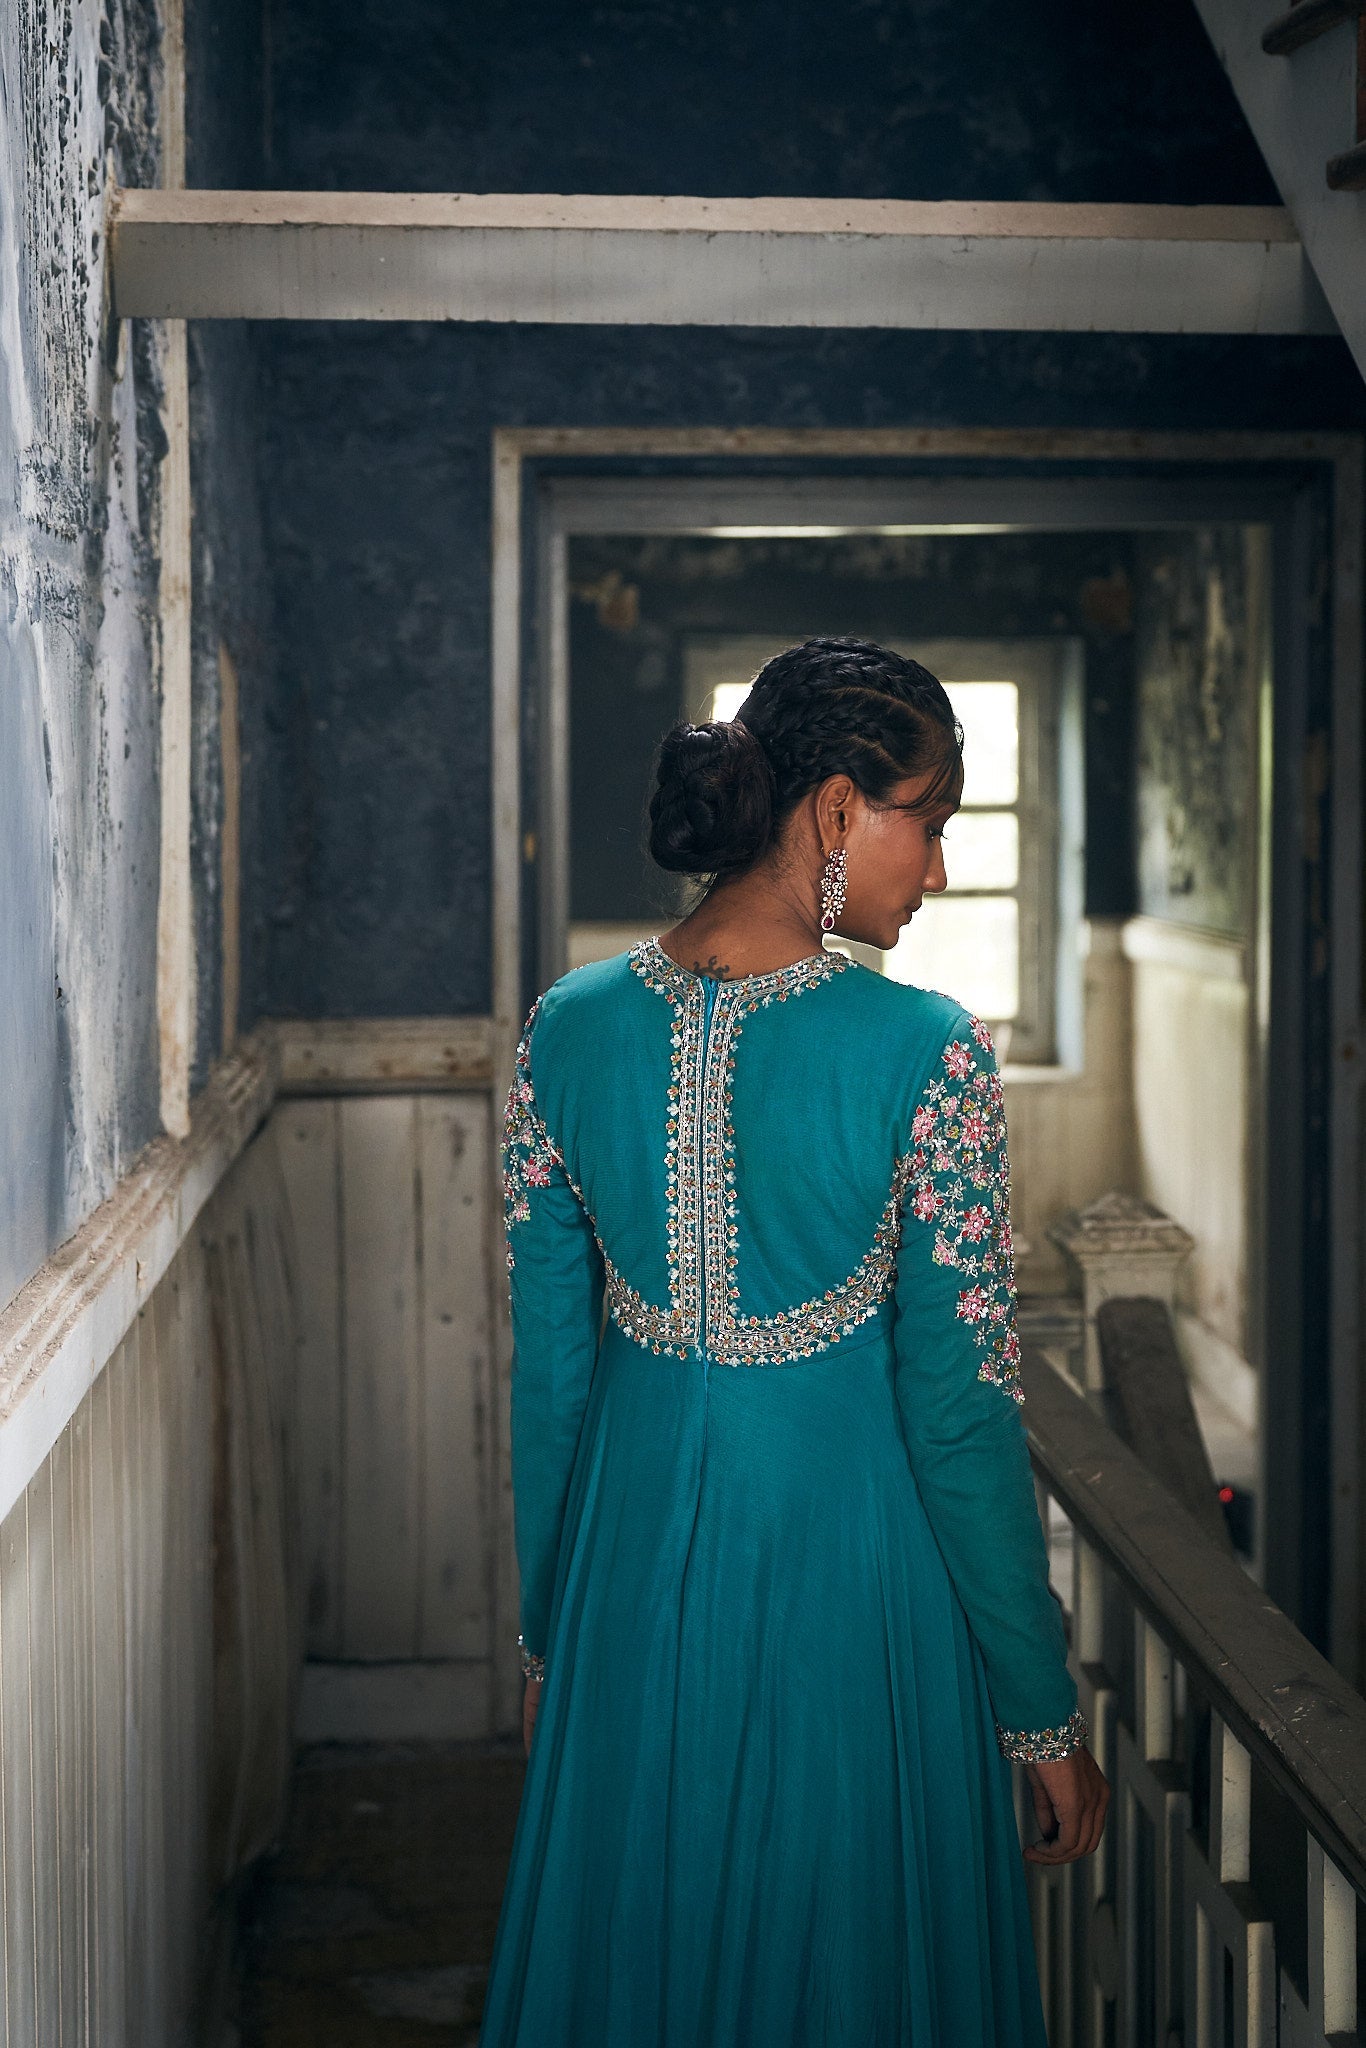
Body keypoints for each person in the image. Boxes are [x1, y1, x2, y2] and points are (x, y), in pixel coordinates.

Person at [480, 637, 1109, 2047]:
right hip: (854, 1581)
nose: (937, 870)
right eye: (928, 824)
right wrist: (1037, 1711)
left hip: (626, 1581)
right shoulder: (926, 1050)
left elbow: (552, 1380)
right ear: (834, 810)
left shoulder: (560, 1033)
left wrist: (545, 1641)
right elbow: (957, 1417)